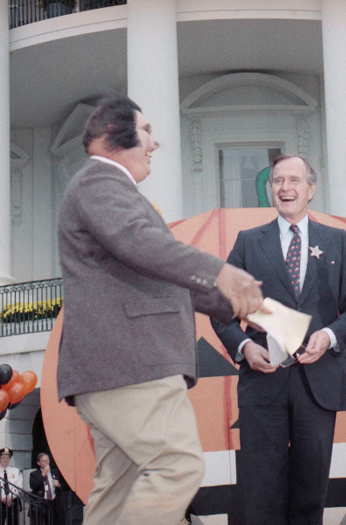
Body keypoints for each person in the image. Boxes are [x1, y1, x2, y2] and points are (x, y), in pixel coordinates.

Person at [57, 93, 265, 525]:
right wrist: (222, 273)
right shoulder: (99, 182)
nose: (155, 143)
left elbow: (156, 269)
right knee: (178, 465)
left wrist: (234, 305)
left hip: (117, 368)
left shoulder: (109, 189)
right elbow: (144, 245)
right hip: (131, 365)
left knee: (119, 490)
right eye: (148, 131)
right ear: (115, 132)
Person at [212, 154, 346, 524]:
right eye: (278, 181)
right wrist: (244, 346)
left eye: (294, 180)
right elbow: (221, 305)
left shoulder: (337, 241)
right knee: (261, 493)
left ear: (311, 189)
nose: (285, 188)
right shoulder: (249, 243)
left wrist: (330, 336)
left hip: (318, 386)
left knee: (310, 492)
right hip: (262, 383)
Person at [29, 453, 62, 524]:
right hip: (40, 505)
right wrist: (43, 474)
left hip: (53, 504)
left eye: (48, 460)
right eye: (44, 461)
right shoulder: (34, 474)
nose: (47, 463)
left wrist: (59, 485)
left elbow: (64, 485)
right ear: (38, 463)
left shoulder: (56, 472)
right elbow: (33, 486)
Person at [0, 448, 22, 525]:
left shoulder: (16, 471)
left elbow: (19, 487)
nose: (6, 459)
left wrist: (10, 497)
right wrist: (3, 498)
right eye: (3, 457)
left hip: (13, 501)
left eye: (8, 457)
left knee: (13, 522)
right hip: (0, 502)